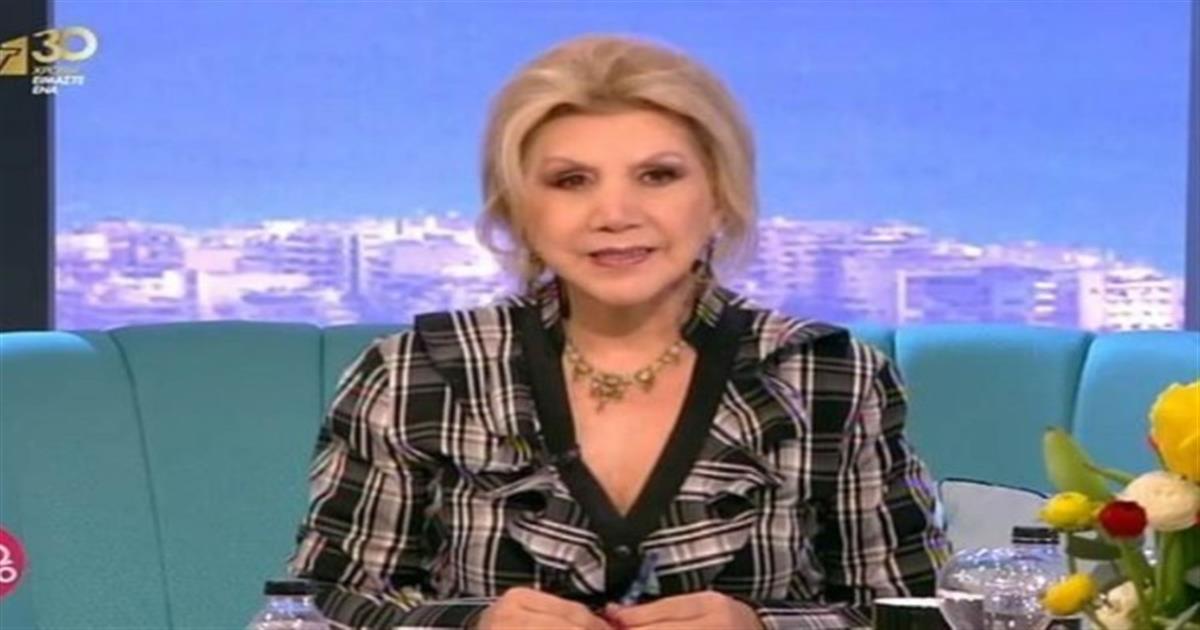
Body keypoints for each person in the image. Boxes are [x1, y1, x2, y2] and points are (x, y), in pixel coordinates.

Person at [287, 34, 947, 630]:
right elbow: (319, 610)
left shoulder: (828, 375)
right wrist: (471, 627)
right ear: (518, 210)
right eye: (571, 181)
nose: (615, 213)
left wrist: (762, 629)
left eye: (657, 175)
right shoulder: (415, 373)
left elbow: (923, 616)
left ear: (720, 195)